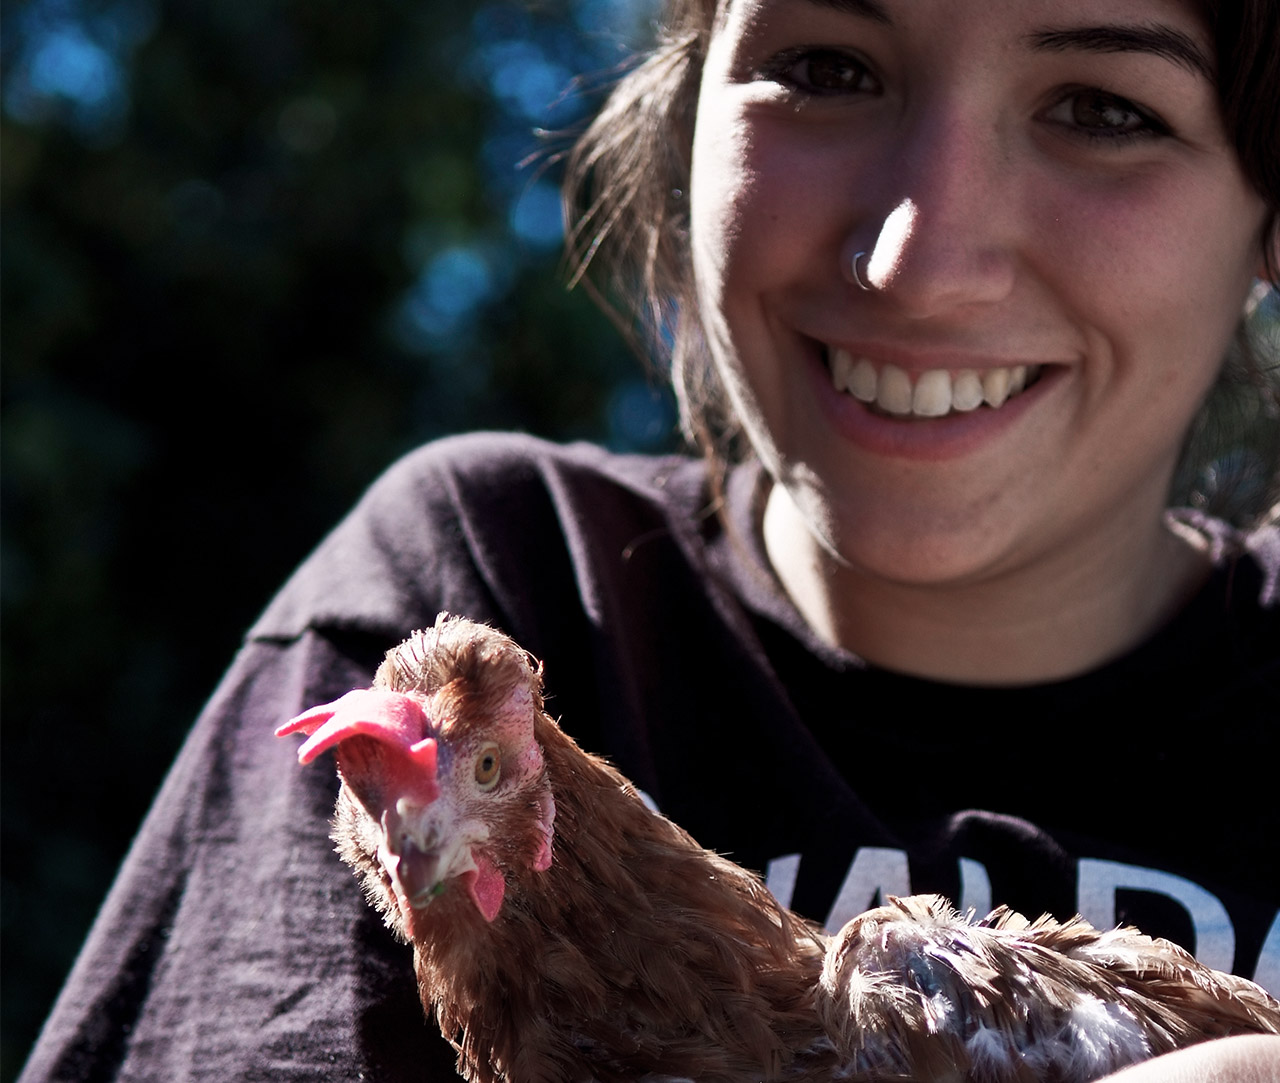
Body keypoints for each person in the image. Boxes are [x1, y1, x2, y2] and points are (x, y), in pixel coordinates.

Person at [20, 0, 1279, 1079]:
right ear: (685, 123)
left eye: (1103, 109)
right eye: (828, 68)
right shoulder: (489, 579)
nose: (918, 261)